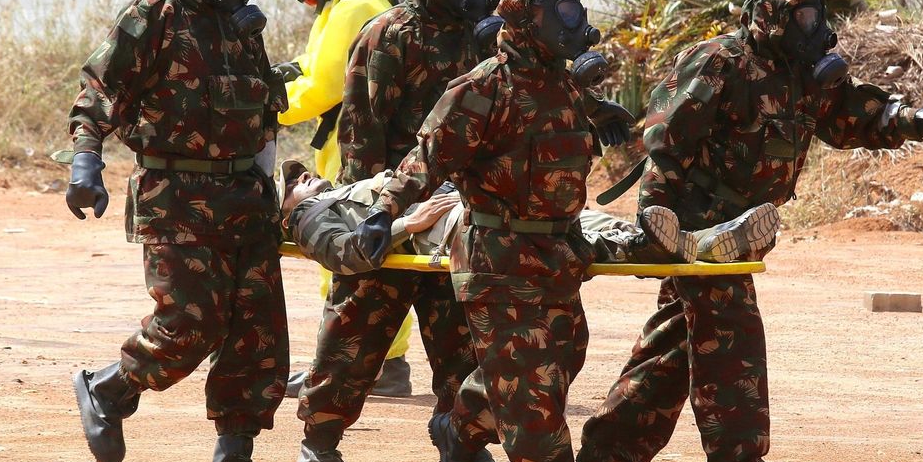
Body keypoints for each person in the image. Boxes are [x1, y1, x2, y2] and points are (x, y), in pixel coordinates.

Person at [573, 0, 923, 462]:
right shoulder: (721, 63)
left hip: (737, 230)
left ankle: (603, 459)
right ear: (769, 16)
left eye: (818, 15)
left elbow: (858, 119)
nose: (814, 27)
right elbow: (662, 138)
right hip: (698, 227)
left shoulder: (805, 74)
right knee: (731, 335)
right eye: (802, 16)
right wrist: (667, 222)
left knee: (678, 343)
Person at [360, 0, 636, 462]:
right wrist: (385, 211)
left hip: (558, 252)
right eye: (556, 11)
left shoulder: (563, 84)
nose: (569, 22)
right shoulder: (483, 86)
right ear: (523, 18)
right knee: (531, 374)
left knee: (558, 359)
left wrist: (607, 114)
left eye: (572, 10)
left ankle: (458, 429)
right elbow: (426, 157)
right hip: (498, 252)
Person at [64, 0, 299, 462]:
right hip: (177, 201)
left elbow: (265, 109)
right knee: (190, 324)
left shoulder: (244, 28)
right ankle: (109, 390)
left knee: (258, 336)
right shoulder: (155, 18)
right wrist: (85, 162)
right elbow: (98, 91)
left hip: (246, 199)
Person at [287, 0, 514, 462]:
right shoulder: (389, 35)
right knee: (356, 330)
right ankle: (319, 449)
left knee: (461, 338)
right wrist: (377, 214)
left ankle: (463, 457)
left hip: (454, 214)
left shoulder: (485, 37)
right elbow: (363, 130)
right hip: (390, 205)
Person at [273, 0, 412, 400]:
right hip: (357, 140)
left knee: (336, 246)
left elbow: (322, 86)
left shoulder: (355, 6)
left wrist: (269, 108)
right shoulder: (353, 1)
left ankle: (356, 363)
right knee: (371, 252)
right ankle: (380, 363)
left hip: (355, 145)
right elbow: (313, 66)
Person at [278, 160, 779, 271]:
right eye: (291, 186)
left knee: (570, 219)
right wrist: (407, 222)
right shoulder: (315, 219)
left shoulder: (345, 189)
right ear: (286, 214)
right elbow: (348, 257)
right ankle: (652, 243)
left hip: (463, 203)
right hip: (448, 227)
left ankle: (696, 241)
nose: (302, 178)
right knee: (558, 233)